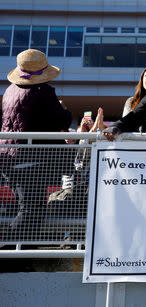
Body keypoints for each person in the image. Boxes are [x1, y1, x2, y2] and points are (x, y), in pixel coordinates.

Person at [0, 49, 72, 240]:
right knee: (31, 210)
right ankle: (8, 253)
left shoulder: (9, 91)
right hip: (32, 160)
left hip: (9, 156)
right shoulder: (43, 91)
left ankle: (22, 254)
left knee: (29, 208)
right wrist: (63, 109)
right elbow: (61, 121)